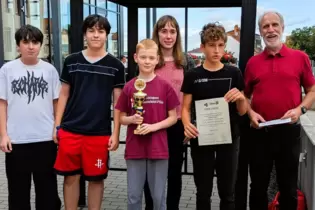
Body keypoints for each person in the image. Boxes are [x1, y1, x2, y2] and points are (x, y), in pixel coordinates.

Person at [53, 14, 125, 209]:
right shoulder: (71, 61)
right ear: (85, 33)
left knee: (96, 180)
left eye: (100, 31)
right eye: (91, 31)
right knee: (70, 178)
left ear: (106, 35)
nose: (96, 35)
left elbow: (118, 103)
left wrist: (116, 133)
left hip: (99, 134)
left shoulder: (116, 66)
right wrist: (57, 126)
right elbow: (64, 95)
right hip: (70, 131)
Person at [245, 11, 315, 210]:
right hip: (260, 133)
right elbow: (244, 96)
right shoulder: (253, 63)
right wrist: (250, 113)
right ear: (260, 31)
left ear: (282, 28)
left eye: (274, 25)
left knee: (288, 186)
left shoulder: (300, 58)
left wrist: (300, 109)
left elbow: (312, 91)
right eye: (265, 27)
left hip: (288, 132)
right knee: (258, 186)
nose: (270, 30)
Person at [181, 23, 247, 210]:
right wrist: (186, 124)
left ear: (224, 46)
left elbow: (242, 110)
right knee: (203, 192)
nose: (216, 50)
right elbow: (185, 108)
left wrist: (241, 97)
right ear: (203, 47)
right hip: (202, 138)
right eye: (211, 45)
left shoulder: (234, 72)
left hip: (229, 139)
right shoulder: (193, 75)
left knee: (227, 193)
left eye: (220, 45)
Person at [0, 25, 61, 210]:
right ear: (18, 45)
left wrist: (56, 129)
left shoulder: (49, 70)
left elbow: (57, 102)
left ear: (40, 45)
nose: (31, 46)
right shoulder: (7, 70)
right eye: (25, 42)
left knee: (48, 192)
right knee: (18, 193)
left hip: (45, 139)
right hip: (17, 140)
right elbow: (2, 103)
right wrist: (3, 134)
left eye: (35, 42)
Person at [115, 39, 179, 210]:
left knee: (158, 198)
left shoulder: (165, 87)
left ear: (157, 59)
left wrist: (153, 127)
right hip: (135, 149)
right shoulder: (129, 87)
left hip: (158, 149)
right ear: (136, 58)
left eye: (151, 58)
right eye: (143, 57)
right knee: (134, 197)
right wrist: (132, 119)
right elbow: (121, 117)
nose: (147, 61)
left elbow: (173, 117)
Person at [143, 15, 195, 210]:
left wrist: (190, 123)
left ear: (177, 35)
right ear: (157, 33)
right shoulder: (149, 59)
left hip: (178, 124)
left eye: (172, 31)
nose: (168, 36)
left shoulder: (186, 61)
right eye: (163, 31)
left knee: (174, 172)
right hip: (153, 124)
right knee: (151, 172)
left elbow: (193, 95)